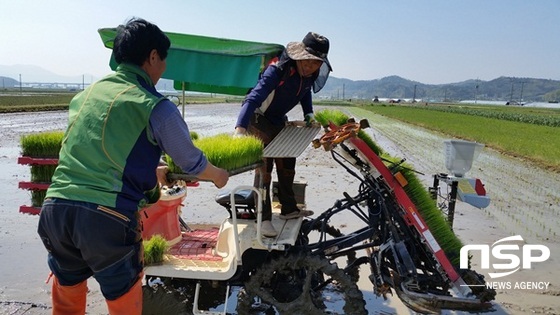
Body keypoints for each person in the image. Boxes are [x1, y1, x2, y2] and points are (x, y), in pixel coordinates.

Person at [37, 18, 229, 314]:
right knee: (124, 302)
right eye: (164, 60)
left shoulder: (85, 97)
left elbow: (97, 154)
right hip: (105, 219)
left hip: (56, 212)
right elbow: (191, 161)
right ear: (153, 56)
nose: (163, 68)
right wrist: (218, 175)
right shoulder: (153, 104)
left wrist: (150, 175)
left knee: (67, 298)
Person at [234, 32, 332, 237]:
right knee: (265, 169)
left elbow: (305, 93)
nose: (309, 66)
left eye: (315, 63)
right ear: (299, 55)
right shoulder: (277, 70)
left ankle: (289, 209)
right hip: (258, 118)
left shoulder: (309, 75)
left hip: (278, 119)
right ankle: (264, 218)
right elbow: (252, 100)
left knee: (287, 161)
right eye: (307, 61)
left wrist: (309, 114)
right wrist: (240, 129)